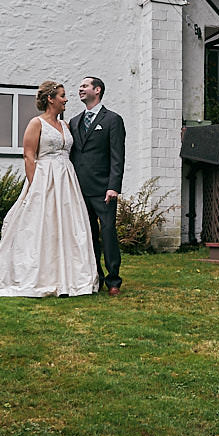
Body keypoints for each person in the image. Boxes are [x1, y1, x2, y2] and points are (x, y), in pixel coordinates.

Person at [0, 81, 98, 298]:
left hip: (66, 181)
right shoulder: (36, 123)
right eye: (62, 95)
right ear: (50, 99)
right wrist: (35, 187)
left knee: (69, 227)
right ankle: (38, 276)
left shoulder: (66, 125)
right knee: (41, 225)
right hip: (45, 179)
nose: (66, 99)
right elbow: (29, 156)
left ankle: (69, 277)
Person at [69, 76, 125, 295]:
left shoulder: (112, 120)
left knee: (108, 233)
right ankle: (96, 278)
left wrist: (113, 186)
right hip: (79, 190)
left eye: (85, 86)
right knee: (89, 236)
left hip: (104, 190)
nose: (80, 89)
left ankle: (113, 280)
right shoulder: (74, 121)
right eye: (80, 86)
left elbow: (117, 156)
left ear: (97, 90)